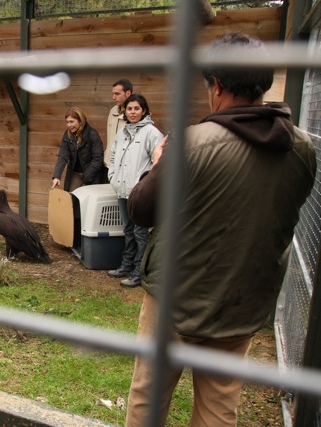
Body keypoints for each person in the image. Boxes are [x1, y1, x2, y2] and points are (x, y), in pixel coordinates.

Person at [125, 32, 316, 426]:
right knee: (218, 410)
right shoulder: (301, 150)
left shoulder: (193, 143)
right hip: (240, 305)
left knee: (149, 398)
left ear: (216, 86)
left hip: (175, 303)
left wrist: (160, 162)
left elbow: (141, 208)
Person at [107, 93, 163, 288]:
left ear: (144, 111)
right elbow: (113, 156)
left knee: (140, 233)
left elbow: (159, 163)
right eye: (129, 109)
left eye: (136, 109)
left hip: (139, 194)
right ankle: (126, 265)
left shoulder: (151, 133)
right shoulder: (122, 133)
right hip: (122, 190)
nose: (132, 112)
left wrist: (146, 186)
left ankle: (139, 273)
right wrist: (112, 177)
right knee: (128, 230)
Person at [51, 107, 106, 192]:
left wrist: (86, 178)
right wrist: (57, 176)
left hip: (91, 173)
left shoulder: (92, 134)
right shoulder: (67, 135)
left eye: (72, 122)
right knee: (72, 199)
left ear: (80, 121)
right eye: (67, 122)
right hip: (75, 173)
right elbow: (63, 156)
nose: (69, 125)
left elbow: (98, 159)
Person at [104, 78, 133, 177]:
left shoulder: (134, 115)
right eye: (113, 94)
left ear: (128, 93)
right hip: (108, 165)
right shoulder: (113, 111)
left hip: (125, 168)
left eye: (117, 94)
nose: (113, 97)